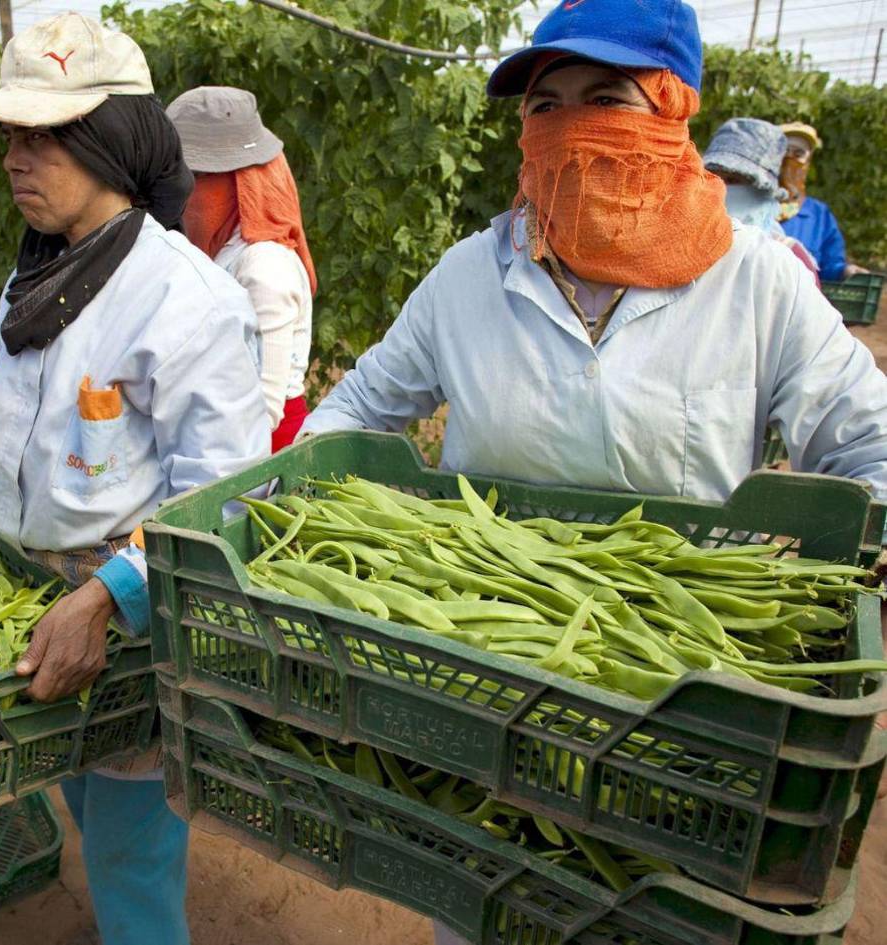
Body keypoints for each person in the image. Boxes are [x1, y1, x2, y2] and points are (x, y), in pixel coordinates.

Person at [299, 3, 887, 933]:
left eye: (605, 97)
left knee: (648, 901)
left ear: (669, 109)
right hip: (472, 690)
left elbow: (867, 446)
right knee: (481, 894)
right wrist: (298, 489)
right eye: (545, 103)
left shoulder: (756, 280)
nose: (570, 125)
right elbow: (357, 410)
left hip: (680, 712)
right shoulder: (468, 275)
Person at [0, 14, 269, 945]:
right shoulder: (41, 273)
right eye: (8, 137)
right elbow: (23, 426)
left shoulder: (187, 302)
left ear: (109, 140)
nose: (13, 160)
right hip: (36, 599)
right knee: (78, 788)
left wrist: (108, 599)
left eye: (42, 136)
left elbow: (227, 494)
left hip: (134, 621)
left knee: (129, 851)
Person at [166, 86, 316, 452]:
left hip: (261, 453)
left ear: (236, 184)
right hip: (225, 438)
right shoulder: (224, 251)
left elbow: (263, 408)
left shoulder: (264, 266)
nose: (183, 195)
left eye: (196, 178)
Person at [702, 117, 818, 281]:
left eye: (734, 181)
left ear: (763, 192)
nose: (722, 189)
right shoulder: (681, 247)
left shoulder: (788, 259)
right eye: (713, 178)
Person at [777, 122, 866, 282]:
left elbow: (830, 266)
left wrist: (846, 271)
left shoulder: (819, 215)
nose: (790, 159)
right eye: (785, 151)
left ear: (808, 161)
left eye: (798, 154)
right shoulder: (754, 205)